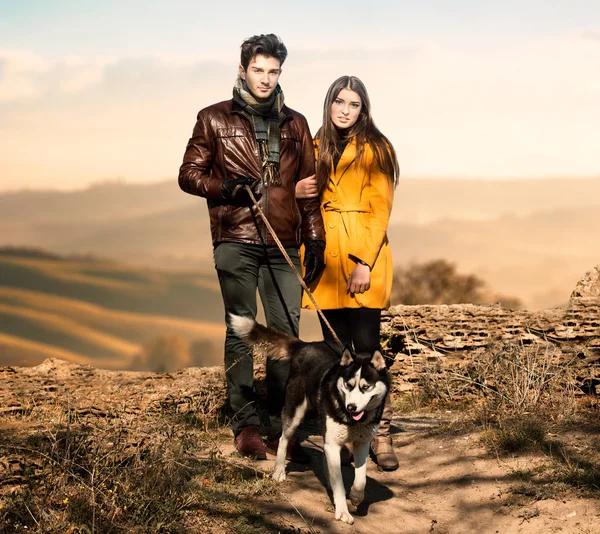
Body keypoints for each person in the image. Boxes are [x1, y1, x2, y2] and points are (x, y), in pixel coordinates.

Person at [179, 34, 325, 461]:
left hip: (284, 242)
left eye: (273, 71)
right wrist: (222, 186)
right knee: (240, 330)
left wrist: (314, 239)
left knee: (285, 336)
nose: (265, 79)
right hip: (235, 237)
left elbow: (309, 193)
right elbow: (188, 174)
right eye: (257, 70)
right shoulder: (213, 118)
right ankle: (245, 426)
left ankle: (283, 429)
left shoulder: (296, 123)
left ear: (281, 72)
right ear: (243, 69)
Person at [296, 75, 400, 471]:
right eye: (339, 101)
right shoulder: (315, 145)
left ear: (363, 109)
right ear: (330, 103)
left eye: (353, 104)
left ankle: (380, 432)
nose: (345, 110)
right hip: (324, 256)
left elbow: (381, 210)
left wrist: (364, 263)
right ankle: (342, 430)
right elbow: (302, 195)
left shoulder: (377, 147)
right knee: (337, 354)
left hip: (361, 255)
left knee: (367, 349)